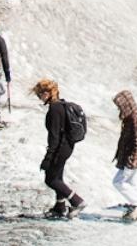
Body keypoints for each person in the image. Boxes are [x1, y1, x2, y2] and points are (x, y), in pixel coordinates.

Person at [33, 79, 86, 220]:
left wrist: (48, 158)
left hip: (60, 148)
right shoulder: (62, 105)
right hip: (67, 146)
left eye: (39, 94)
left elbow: (54, 137)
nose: (39, 98)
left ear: (47, 94)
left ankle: (77, 201)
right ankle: (60, 207)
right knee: (58, 177)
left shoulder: (54, 109)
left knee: (51, 180)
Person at [112, 90, 137, 222]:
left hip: (133, 157)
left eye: (120, 106)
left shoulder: (134, 118)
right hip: (131, 155)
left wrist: (132, 159)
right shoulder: (130, 116)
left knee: (118, 181)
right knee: (130, 181)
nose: (119, 109)